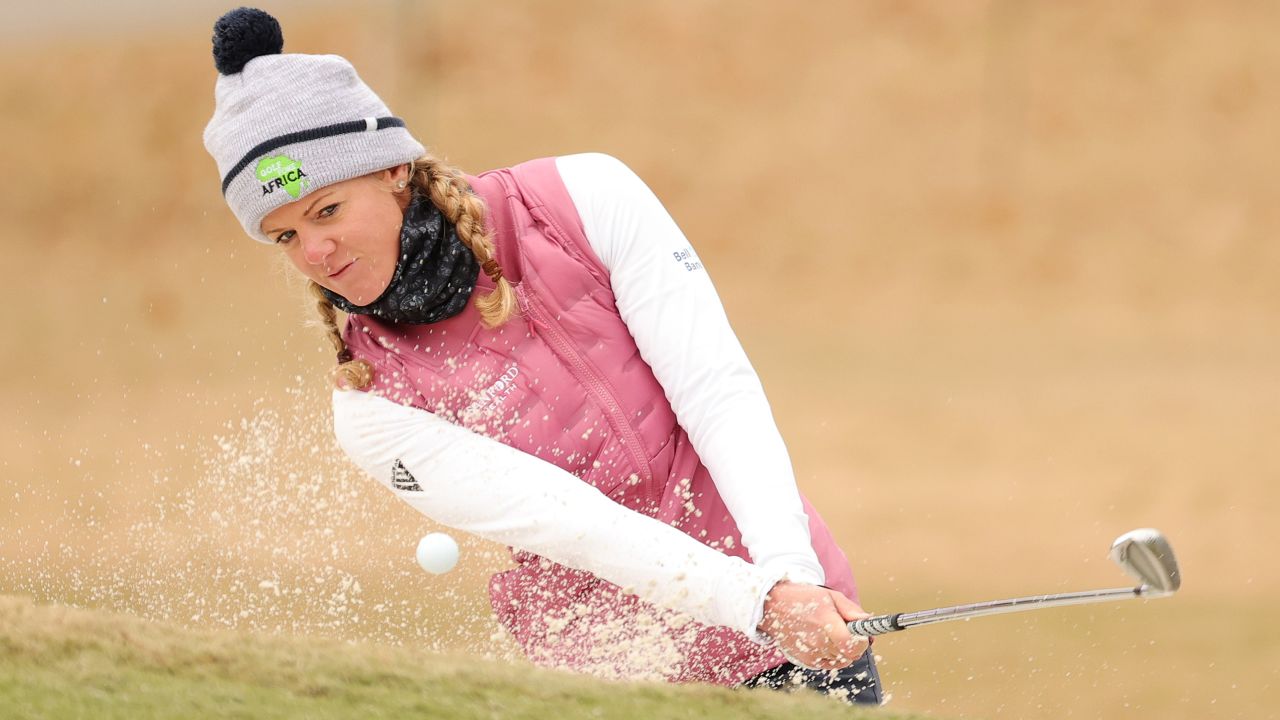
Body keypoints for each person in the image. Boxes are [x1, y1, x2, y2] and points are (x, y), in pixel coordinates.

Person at [202, 7, 882, 705]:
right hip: (618, 674)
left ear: (393, 169)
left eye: (326, 211)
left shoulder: (584, 199)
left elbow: (715, 392)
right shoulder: (371, 406)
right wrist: (762, 603)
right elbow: (570, 521)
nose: (314, 254)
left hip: (801, 616)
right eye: (282, 237)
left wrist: (791, 575)